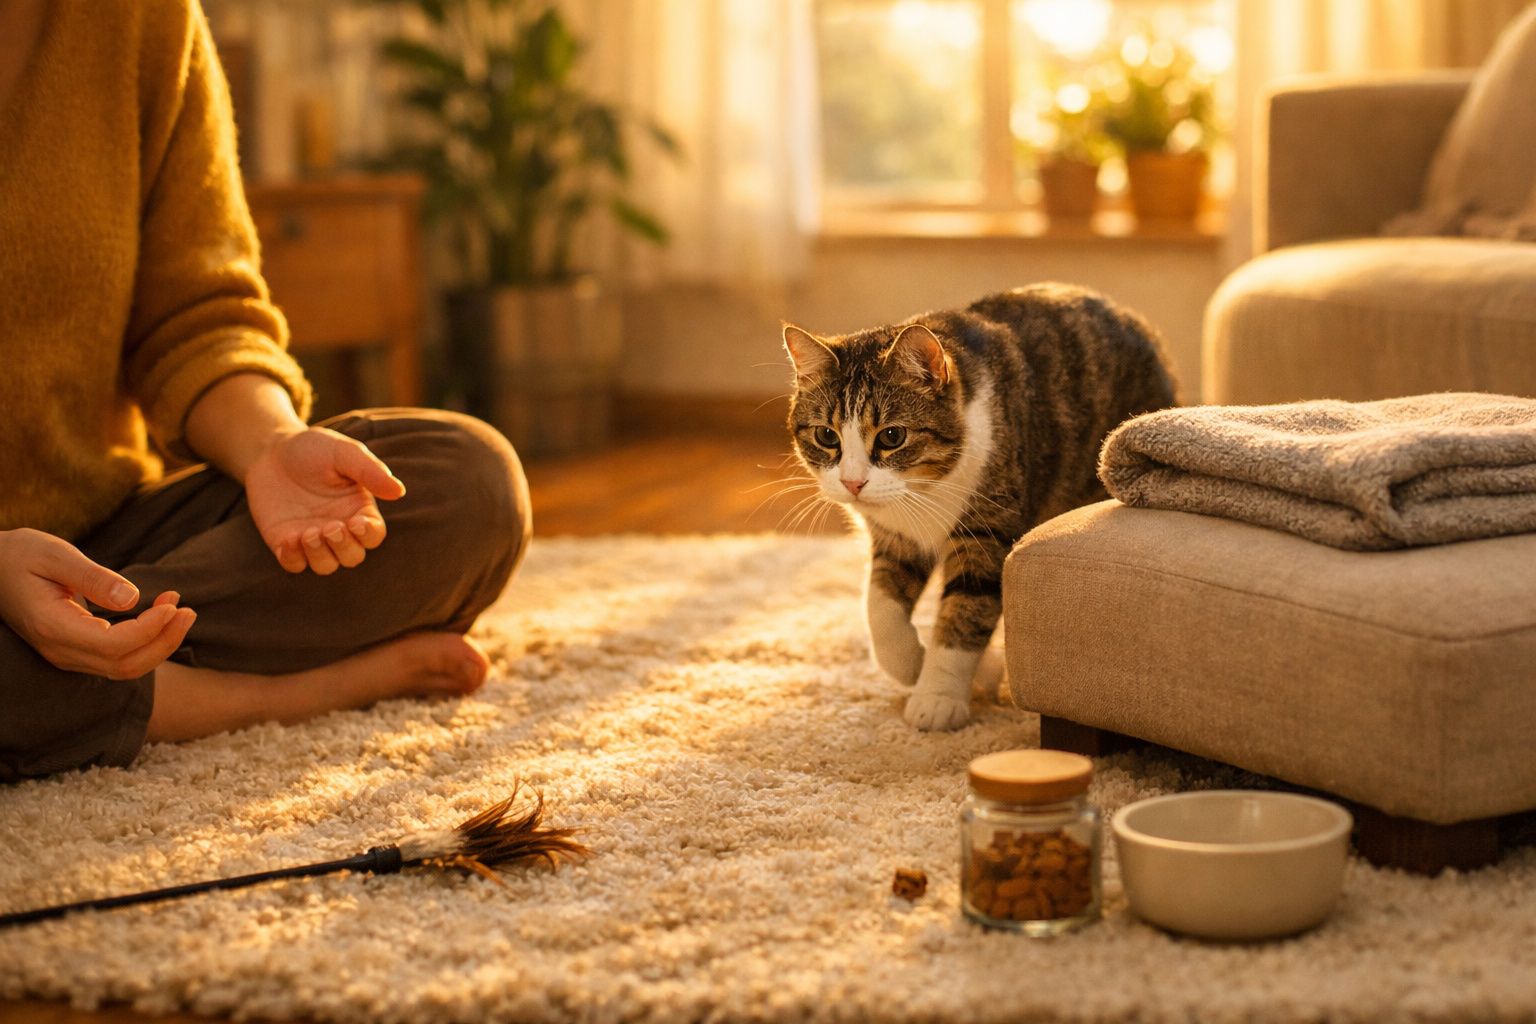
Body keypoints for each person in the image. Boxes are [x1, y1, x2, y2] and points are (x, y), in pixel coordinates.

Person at [0, 0, 531, 781]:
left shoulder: (142, 18)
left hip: (106, 548)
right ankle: (264, 695)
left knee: (469, 482)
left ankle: (80, 666)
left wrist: (271, 444)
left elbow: (198, 319)